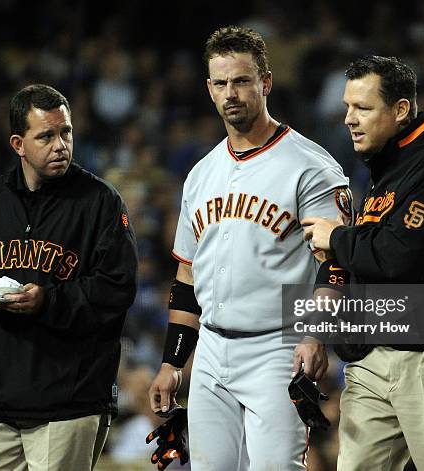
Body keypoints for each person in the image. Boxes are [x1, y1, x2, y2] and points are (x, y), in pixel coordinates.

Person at [147, 26, 349, 470]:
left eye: (241, 80)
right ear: (209, 88)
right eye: (221, 83)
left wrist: (315, 334)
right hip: (212, 352)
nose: (230, 93)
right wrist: (172, 362)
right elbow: (186, 277)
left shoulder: (311, 166)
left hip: (278, 348)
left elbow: (335, 266)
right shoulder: (201, 173)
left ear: (266, 82)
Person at [302, 56, 424, 470]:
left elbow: (397, 258)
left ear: (401, 110)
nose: (349, 119)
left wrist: (335, 237)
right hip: (374, 355)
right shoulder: (384, 171)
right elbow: (365, 260)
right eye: (347, 107)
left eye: (363, 108)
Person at [0, 84, 138, 470]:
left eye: (65, 132)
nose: (61, 145)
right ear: (18, 144)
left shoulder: (100, 202)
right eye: (46, 136)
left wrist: (47, 301)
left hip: (68, 405)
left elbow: (117, 288)